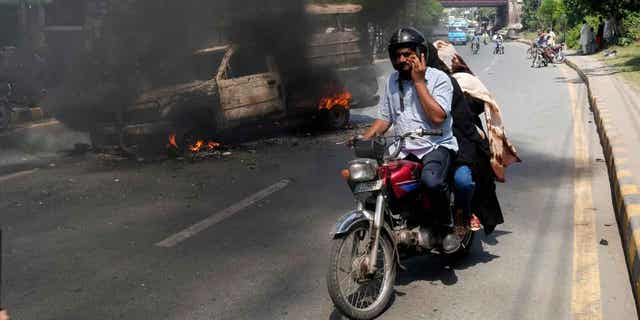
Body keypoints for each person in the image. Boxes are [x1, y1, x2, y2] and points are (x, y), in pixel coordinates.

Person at [359, 27, 460, 252]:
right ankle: (400, 228)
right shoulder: (392, 81)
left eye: (407, 54)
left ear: (421, 54)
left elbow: (436, 118)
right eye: (397, 55)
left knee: (431, 181)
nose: (401, 59)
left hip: (436, 145)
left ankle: (444, 229)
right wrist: (362, 139)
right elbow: (384, 119)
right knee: (382, 185)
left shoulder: (439, 79)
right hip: (403, 149)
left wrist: (419, 81)